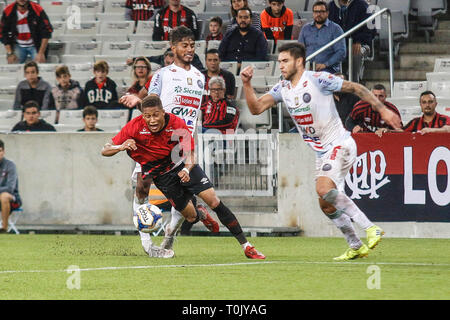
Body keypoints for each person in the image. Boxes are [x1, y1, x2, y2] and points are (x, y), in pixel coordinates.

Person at [240, 42, 402, 261]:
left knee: (323, 188)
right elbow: (256, 108)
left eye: (285, 61)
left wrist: (382, 110)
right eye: (279, 62)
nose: (281, 66)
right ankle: (355, 245)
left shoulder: (317, 80)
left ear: (299, 61)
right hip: (321, 153)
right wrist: (247, 84)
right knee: (325, 203)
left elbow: (356, 88)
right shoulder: (283, 88)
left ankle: (370, 227)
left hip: (340, 143)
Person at [120, 26, 265, 260]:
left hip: (181, 148)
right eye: (184, 45)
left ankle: (172, 236)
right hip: (156, 146)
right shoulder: (163, 75)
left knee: (190, 203)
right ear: (173, 47)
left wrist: (191, 148)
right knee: (141, 188)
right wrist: (137, 99)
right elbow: (149, 104)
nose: (189, 50)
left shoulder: (200, 78)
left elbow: (192, 117)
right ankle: (148, 243)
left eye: (192, 45)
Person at [104, 95, 265, 259]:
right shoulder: (134, 127)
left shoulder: (176, 124)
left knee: (214, 201)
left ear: (163, 112)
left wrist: (187, 170)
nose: (152, 120)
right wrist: (120, 146)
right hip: (162, 176)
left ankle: (247, 246)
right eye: (148, 116)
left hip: (181, 164)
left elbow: (191, 154)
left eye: (156, 115)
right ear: (142, 115)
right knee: (191, 216)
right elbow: (105, 149)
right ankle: (200, 213)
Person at [328, 0, 375, 82]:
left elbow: (371, 29)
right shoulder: (331, 6)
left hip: (360, 44)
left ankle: (354, 83)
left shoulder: (362, 5)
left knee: (356, 52)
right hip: (336, 46)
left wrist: (359, 41)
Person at [298, 1, 346, 74]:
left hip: (329, 69)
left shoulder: (336, 29)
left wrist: (325, 64)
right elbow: (299, 49)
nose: (318, 14)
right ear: (313, 13)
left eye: (322, 11)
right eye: (316, 12)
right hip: (308, 67)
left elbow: (341, 52)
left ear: (327, 13)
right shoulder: (306, 28)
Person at [0, 140, 22, 233]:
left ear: (4, 151)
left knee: (4, 196)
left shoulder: (10, 165)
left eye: (0, 150)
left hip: (12, 198)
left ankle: (4, 228)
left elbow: (10, 188)